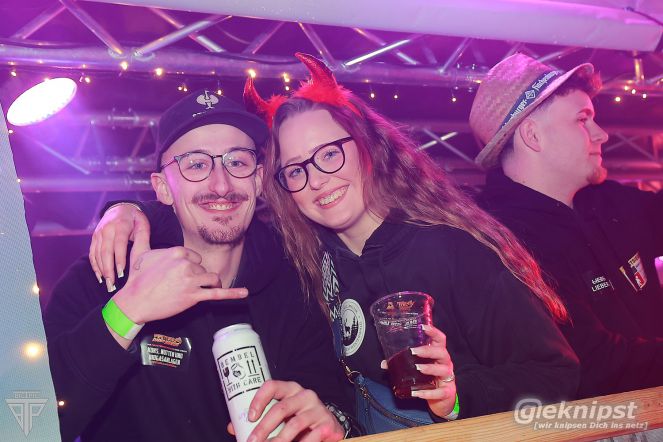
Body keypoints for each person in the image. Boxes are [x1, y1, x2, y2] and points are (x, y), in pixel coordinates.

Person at [92, 54, 580, 433]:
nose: (318, 179)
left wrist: (457, 395)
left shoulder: (451, 251)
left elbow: (557, 379)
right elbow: (211, 207)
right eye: (296, 169)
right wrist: (129, 211)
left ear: (366, 147)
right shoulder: (310, 258)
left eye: (329, 154)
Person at [44, 89, 352, 442]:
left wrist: (329, 418)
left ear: (257, 180)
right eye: (196, 165)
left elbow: (331, 395)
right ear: (163, 188)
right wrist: (127, 312)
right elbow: (30, 417)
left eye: (237, 162)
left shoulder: (295, 283)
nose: (221, 185)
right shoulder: (102, 277)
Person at [472, 53, 663, 398]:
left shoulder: (605, 201)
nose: (602, 134)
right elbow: (591, 364)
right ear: (533, 136)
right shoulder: (502, 243)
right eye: (583, 119)